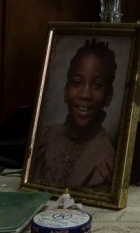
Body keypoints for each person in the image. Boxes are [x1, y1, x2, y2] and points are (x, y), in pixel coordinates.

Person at [33, 39, 117, 188]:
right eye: (77, 82)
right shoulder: (47, 137)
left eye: (97, 85)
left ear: (108, 96)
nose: (85, 94)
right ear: (66, 91)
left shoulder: (105, 158)